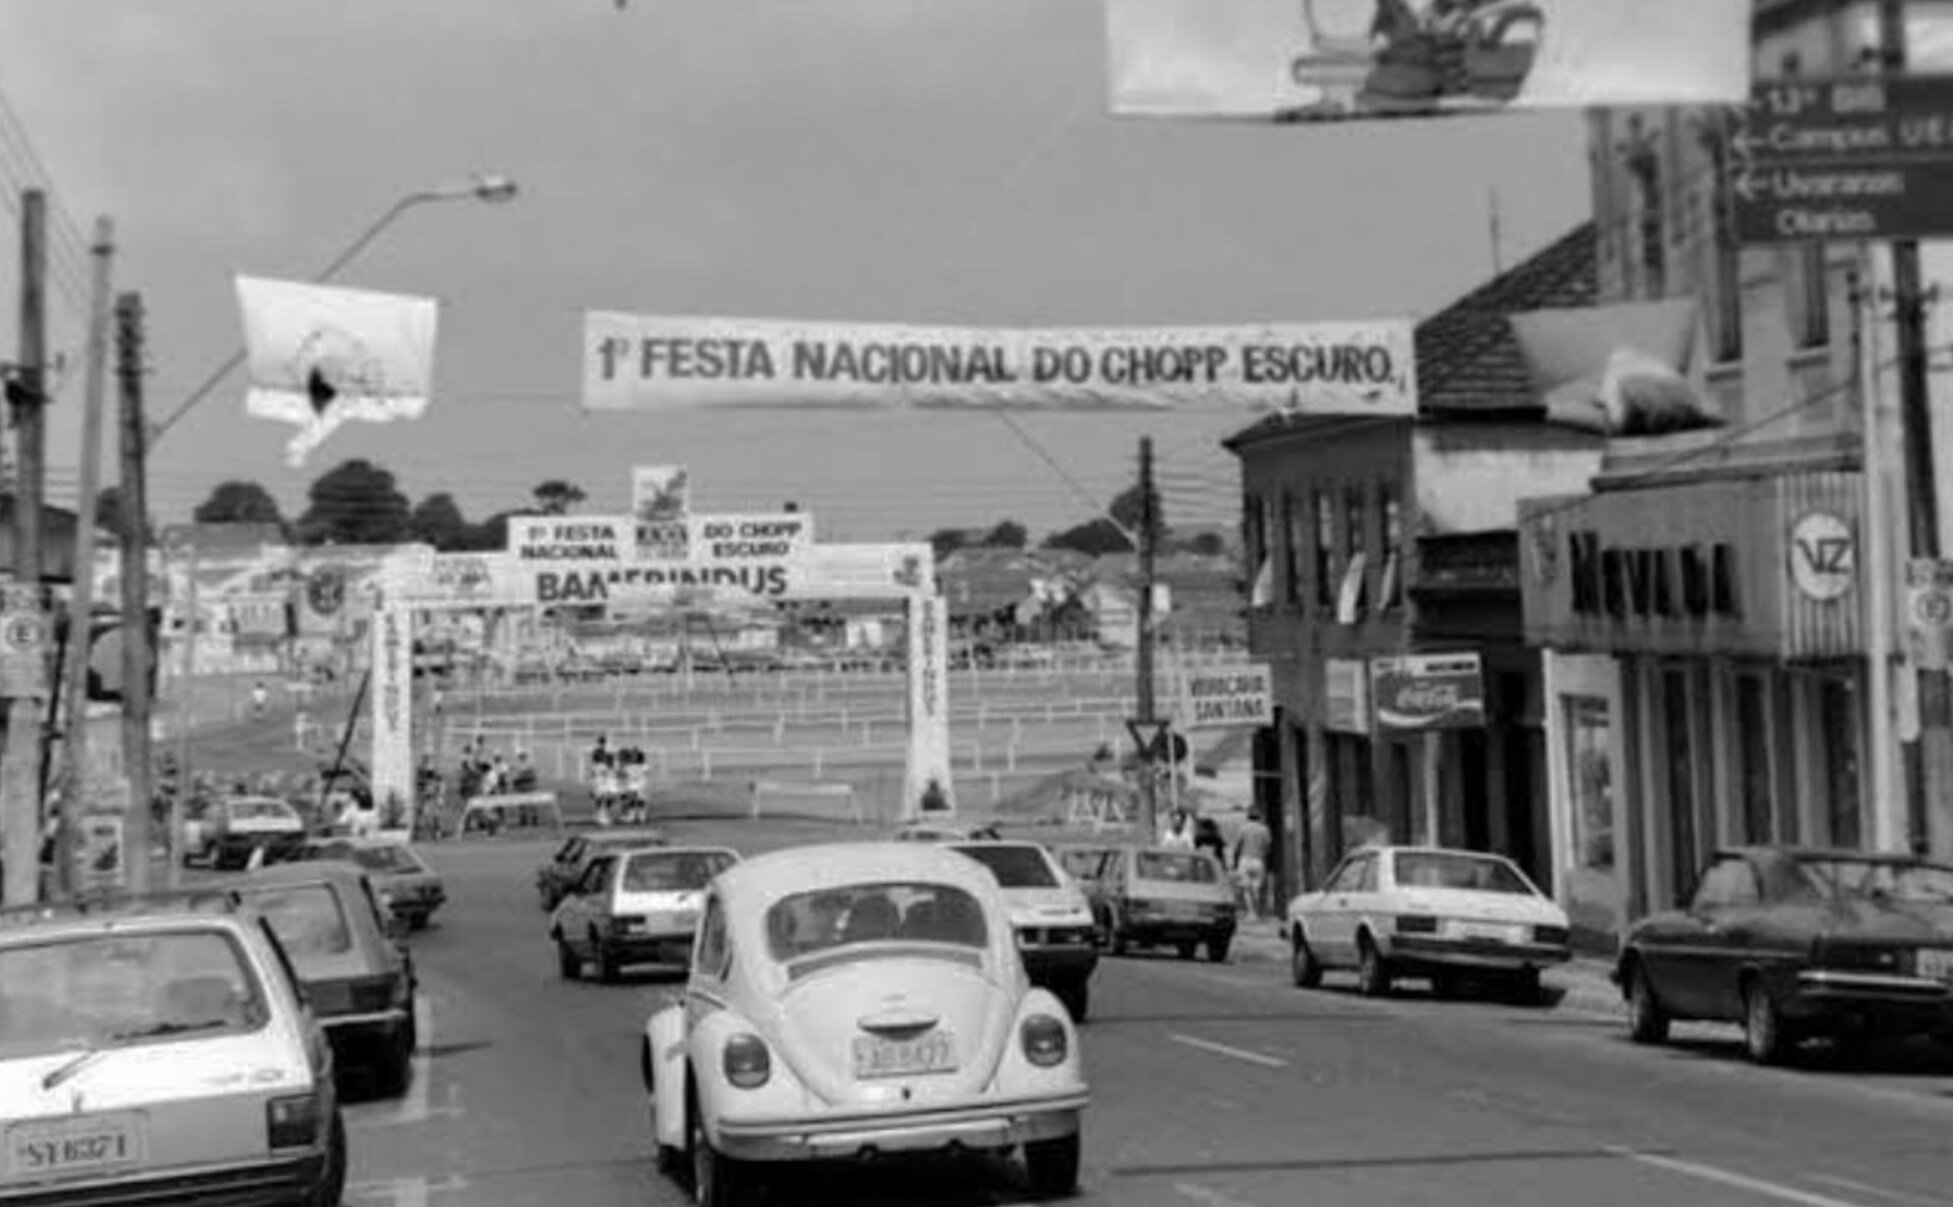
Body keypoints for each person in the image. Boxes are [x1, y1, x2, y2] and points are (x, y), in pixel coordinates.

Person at [1232, 808, 1273, 921]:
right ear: (1258, 817)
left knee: (1246, 888)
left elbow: (1237, 846)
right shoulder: (1264, 829)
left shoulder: (1243, 828)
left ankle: (1251, 913)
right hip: (1258, 860)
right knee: (1256, 887)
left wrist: (1235, 862)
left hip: (1245, 859)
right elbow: (1268, 847)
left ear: (1248, 816)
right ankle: (1257, 912)